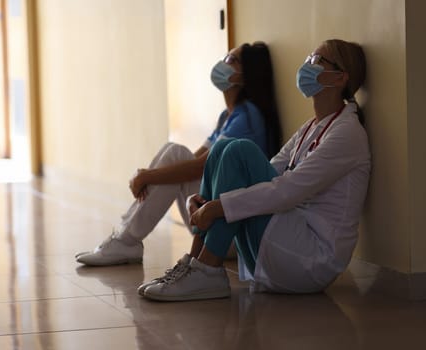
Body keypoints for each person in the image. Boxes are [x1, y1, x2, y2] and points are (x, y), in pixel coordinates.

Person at [139, 39, 371, 301]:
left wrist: (217, 207)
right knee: (222, 148)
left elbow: (287, 191)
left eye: (316, 61)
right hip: (286, 241)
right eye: (308, 59)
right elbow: (269, 171)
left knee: (240, 150)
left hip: (311, 259)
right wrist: (205, 201)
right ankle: (196, 263)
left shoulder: (347, 133)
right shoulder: (312, 126)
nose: (306, 66)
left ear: (340, 77)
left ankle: (208, 270)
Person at [76, 42, 282, 266]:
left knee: (176, 155)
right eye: (225, 58)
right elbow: (194, 160)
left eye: (232, 60)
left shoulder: (248, 117)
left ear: (246, 76)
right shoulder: (228, 116)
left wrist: (147, 176)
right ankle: (126, 239)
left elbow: (197, 166)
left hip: (234, 233)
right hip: (213, 222)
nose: (223, 64)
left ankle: (126, 241)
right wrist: (151, 174)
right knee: (174, 152)